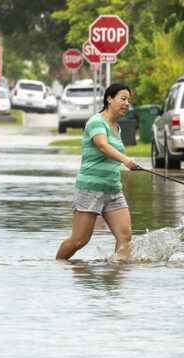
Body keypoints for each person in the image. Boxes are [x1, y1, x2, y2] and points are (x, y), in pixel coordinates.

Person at [56, 83, 139, 261]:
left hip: (113, 189)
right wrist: (125, 160)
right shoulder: (96, 122)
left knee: (125, 238)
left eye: (128, 101)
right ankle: (57, 266)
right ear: (109, 99)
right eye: (122, 99)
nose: (126, 104)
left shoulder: (117, 127)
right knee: (79, 240)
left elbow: (111, 151)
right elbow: (102, 145)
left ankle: (117, 278)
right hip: (90, 189)